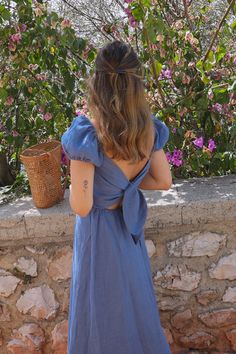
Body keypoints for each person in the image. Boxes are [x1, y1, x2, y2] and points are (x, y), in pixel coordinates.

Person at [61, 40, 173, 354]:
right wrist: (126, 190)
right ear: (136, 84)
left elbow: (81, 206)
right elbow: (163, 180)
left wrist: (84, 185)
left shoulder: (87, 137)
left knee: (100, 313)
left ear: (96, 84)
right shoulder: (148, 131)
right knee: (134, 305)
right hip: (128, 231)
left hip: (98, 236)